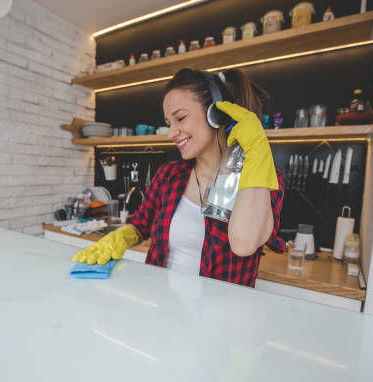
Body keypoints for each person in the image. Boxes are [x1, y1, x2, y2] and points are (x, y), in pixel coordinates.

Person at [73, 68, 285, 288]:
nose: (171, 133)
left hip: (222, 318)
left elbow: (244, 244)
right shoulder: (170, 175)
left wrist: (257, 151)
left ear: (216, 114)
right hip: (165, 308)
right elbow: (141, 224)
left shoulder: (264, 181)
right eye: (169, 123)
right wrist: (119, 237)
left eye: (180, 118)